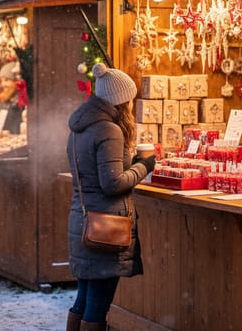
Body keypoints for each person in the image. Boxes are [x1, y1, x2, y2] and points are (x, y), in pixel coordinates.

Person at [65, 62, 155, 330]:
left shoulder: (81, 125)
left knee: (84, 298)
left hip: (84, 219)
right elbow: (112, 183)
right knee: (97, 305)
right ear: (120, 100)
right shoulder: (109, 130)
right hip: (106, 226)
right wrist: (145, 165)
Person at [0, 62, 25, 135]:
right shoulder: (4, 100)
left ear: (16, 82)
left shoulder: (21, 102)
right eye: (1, 81)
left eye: (6, 80)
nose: (3, 84)